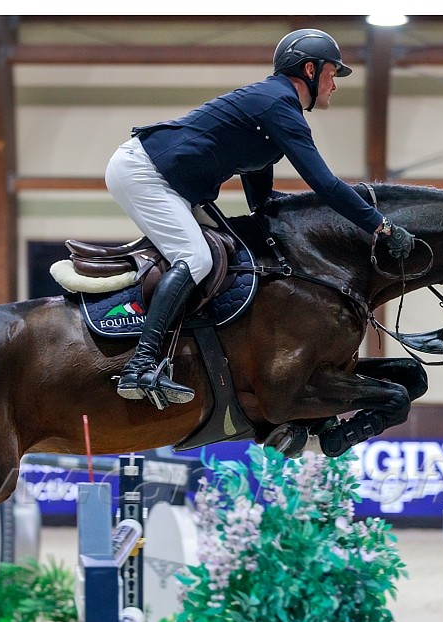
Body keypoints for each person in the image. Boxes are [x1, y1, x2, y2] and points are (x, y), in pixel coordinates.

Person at [105, 28, 414, 409]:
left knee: (229, 253)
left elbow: (263, 201)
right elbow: (326, 184)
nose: (335, 85)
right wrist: (381, 227)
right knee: (196, 258)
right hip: (146, 173)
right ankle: (142, 364)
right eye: (333, 74)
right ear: (310, 70)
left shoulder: (274, 109)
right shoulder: (278, 106)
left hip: (170, 181)